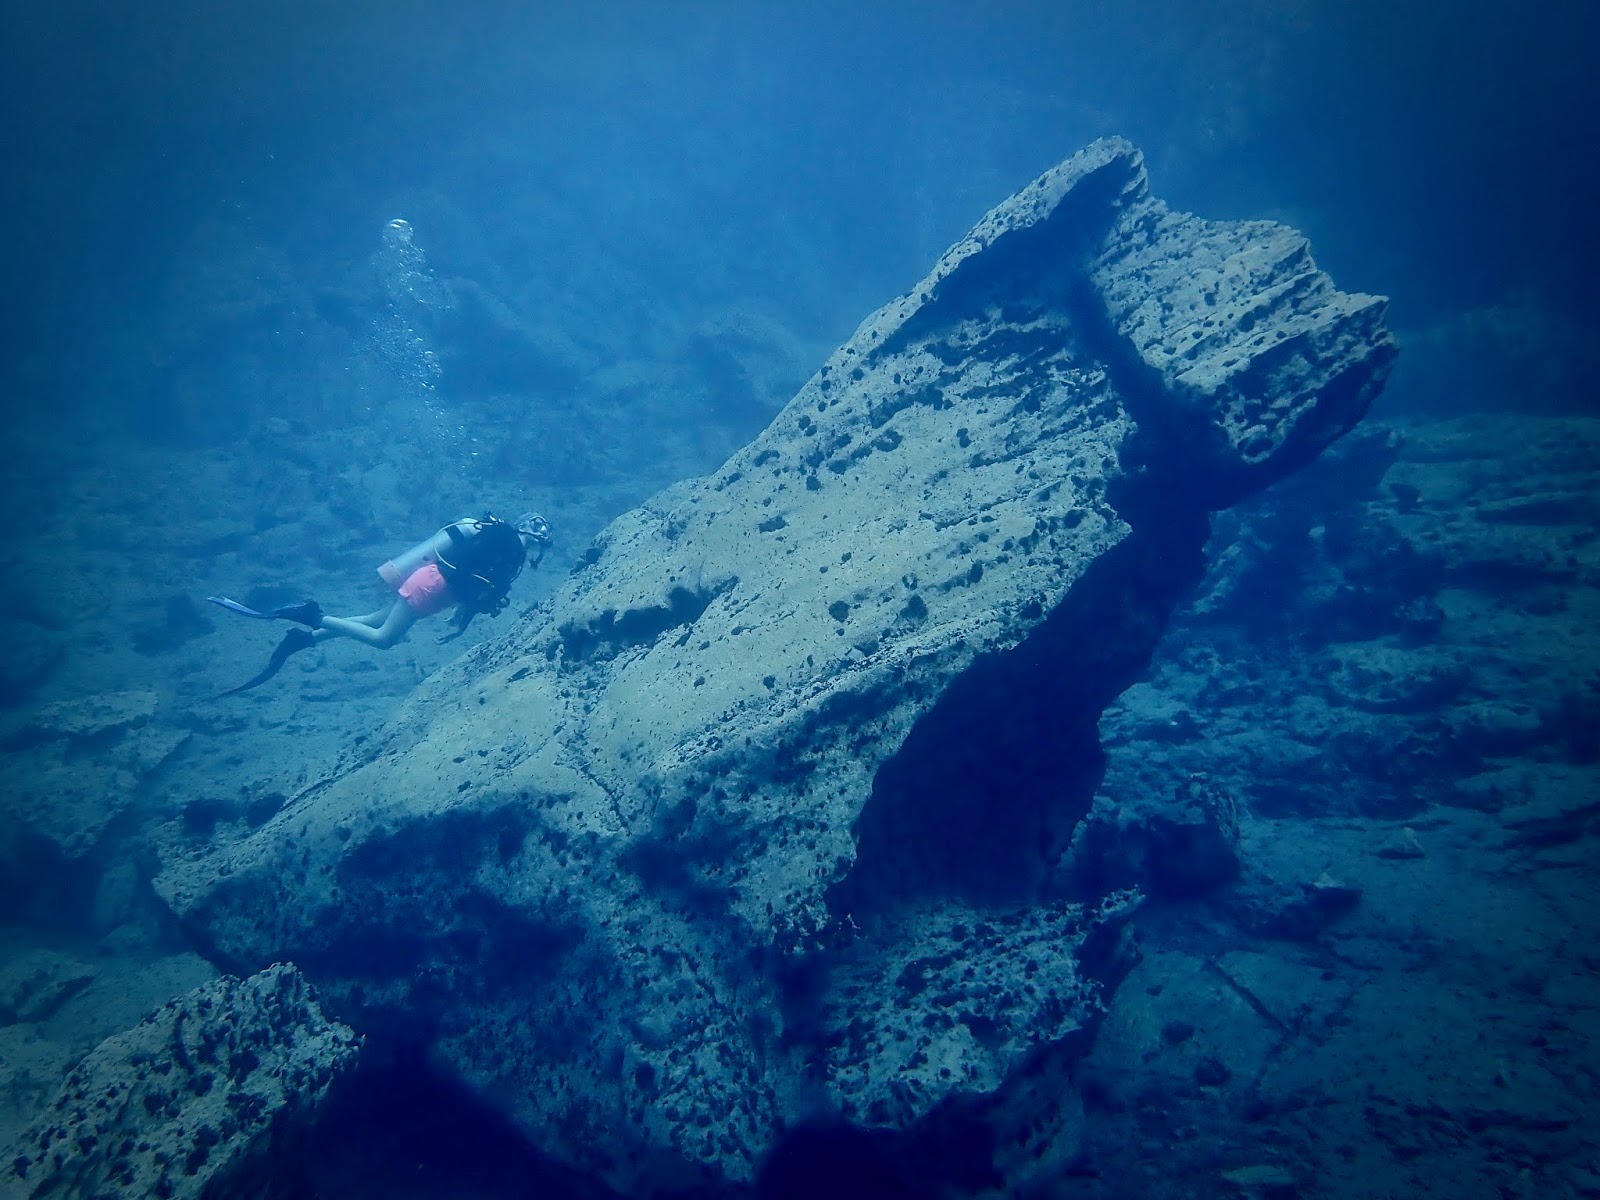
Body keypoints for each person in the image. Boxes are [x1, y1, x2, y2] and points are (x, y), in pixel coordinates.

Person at [208, 511, 551, 694]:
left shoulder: (502, 545)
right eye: (539, 544)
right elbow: (480, 592)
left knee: (374, 620)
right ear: (533, 538)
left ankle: (306, 639)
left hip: (434, 586)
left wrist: (459, 625)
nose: (536, 551)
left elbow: (476, 587)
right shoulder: (510, 554)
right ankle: (312, 617)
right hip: (432, 590)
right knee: (385, 639)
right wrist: (461, 622)